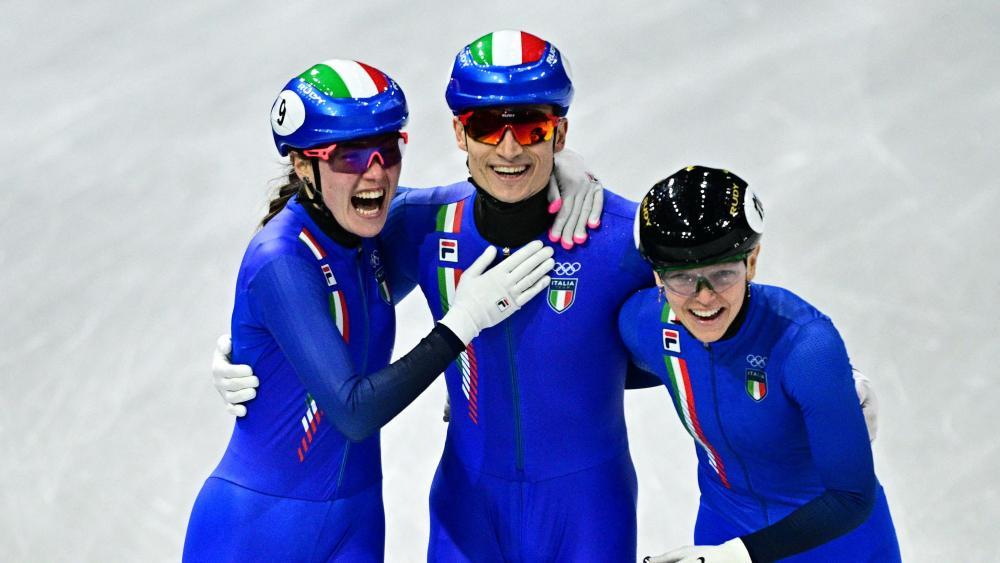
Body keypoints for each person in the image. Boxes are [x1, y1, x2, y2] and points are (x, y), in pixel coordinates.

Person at [212, 32, 883, 561]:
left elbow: (712, 295)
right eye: (486, 126)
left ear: (561, 130)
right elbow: (317, 251)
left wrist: (816, 382)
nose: (509, 147)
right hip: (466, 513)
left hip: (587, 516)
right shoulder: (419, 224)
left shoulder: (618, 234)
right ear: (459, 135)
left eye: (532, 127)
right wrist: (254, 348)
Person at [182, 59, 557, 562]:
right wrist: (462, 324)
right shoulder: (282, 260)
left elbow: (492, 189)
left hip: (356, 522)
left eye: (386, 150)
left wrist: (568, 170)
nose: (375, 174)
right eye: (349, 158)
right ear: (302, 165)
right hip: (257, 530)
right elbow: (354, 412)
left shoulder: (374, 228)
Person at [621, 166, 901, 562]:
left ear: (752, 262)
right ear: (657, 276)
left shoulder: (808, 347)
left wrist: (736, 556)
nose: (704, 298)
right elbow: (587, 370)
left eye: (722, 274)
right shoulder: (644, 324)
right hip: (725, 526)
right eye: (683, 278)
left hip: (834, 541)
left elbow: (851, 497)